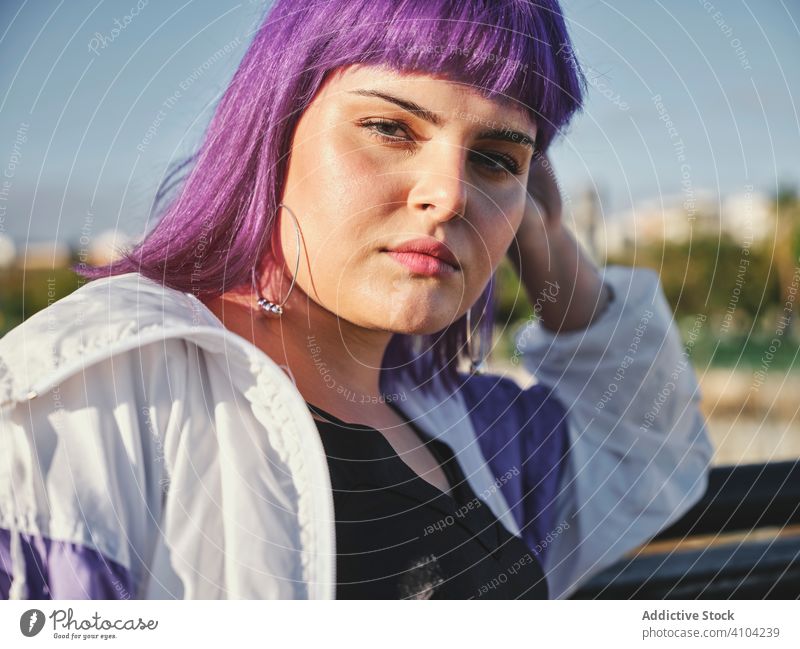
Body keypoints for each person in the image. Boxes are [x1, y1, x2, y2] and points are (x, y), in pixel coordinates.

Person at [0, 0, 713, 600]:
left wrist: (551, 242)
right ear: (272, 131)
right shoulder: (87, 404)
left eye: (495, 158)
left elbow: (649, 448)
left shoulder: (468, 428)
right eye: (390, 128)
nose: (450, 195)